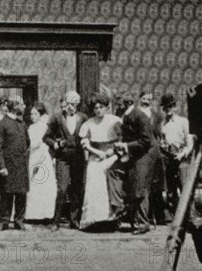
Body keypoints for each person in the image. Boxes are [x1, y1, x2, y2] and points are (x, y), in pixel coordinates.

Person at [111, 91, 158, 235]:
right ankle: (121, 209)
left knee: (139, 188)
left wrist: (125, 147)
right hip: (135, 153)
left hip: (146, 154)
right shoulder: (127, 116)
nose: (116, 109)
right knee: (115, 172)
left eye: (118, 106)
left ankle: (143, 224)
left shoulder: (139, 116)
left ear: (127, 104)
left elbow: (145, 141)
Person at [43, 91, 87, 231]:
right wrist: (55, 144)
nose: (71, 107)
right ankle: (55, 221)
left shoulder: (83, 118)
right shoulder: (57, 118)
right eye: (68, 104)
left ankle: (74, 220)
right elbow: (46, 137)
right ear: (65, 104)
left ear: (77, 105)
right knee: (62, 189)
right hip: (63, 158)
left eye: (74, 104)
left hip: (78, 158)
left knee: (76, 188)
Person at [78, 94, 122, 229]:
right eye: (96, 108)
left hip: (112, 155)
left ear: (107, 108)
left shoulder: (115, 121)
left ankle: (110, 218)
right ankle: (93, 219)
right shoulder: (88, 124)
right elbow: (85, 143)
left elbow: (121, 139)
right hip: (95, 155)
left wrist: (111, 152)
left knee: (108, 176)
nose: (98, 110)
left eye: (101, 107)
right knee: (93, 178)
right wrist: (97, 152)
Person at [0, 96, 31, 231]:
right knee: (6, 194)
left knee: (21, 194)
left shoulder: (22, 123)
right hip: (7, 166)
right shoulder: (1, 124)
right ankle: (4, 221)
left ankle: (19, 220)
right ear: (15, 107)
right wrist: (1, 166)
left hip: (21, 165)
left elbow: (27, 142)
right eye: (22, 104)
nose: (25, 106)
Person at [160, 93, 194, 212]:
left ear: (175, 107)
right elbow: (162, 141)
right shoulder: (162, 124)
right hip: (169, 158)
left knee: (185, 186)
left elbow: (189, 143)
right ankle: (175, 213)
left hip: (183, 158)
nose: (168, 109)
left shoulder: (183, 122)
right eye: (165, 107)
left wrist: (182, 154)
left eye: (170, 106)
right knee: (171, 188)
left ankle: (190, 213)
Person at [25, 102, 57, 222]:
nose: (33, 116)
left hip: (42, 157)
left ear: (41, 114)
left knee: (43, 185)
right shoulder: (31, 127)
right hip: (32, 155)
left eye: (35, 113)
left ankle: (45, 214)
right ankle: (33, 214)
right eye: (31, 114)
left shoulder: (43, 126)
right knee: (33, 185)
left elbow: (44, 145)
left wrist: (39, 162)